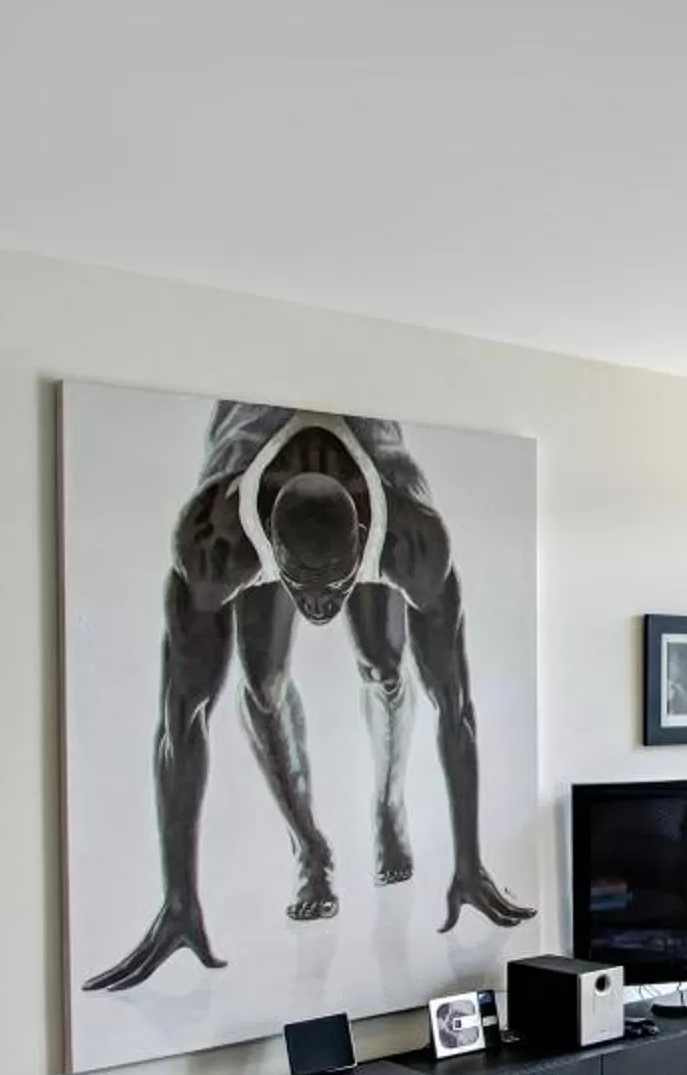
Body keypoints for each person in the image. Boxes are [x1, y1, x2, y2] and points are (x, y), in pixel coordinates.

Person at [83, 402, 532, 993]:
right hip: (250, 482)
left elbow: (456, 705)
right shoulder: (217, 540)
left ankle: (388, 806)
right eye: (302, 587)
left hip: (370, 492)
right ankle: (310, 849)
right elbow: (181, 723)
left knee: (385, 665)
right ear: (271, 551)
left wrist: (468, 861)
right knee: (261, 686)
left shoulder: (412, 537)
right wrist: (178, 898)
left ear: (364, 544)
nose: (319, 608)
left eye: (335, 586)